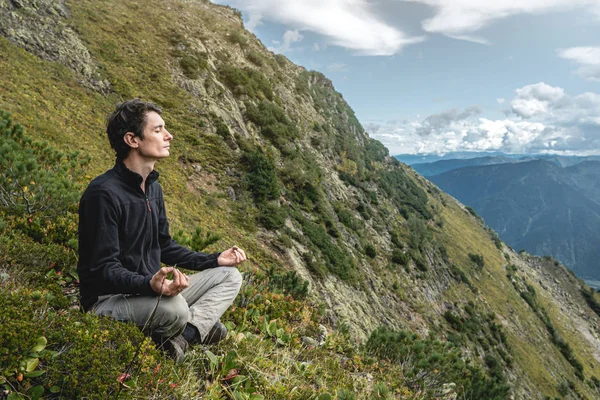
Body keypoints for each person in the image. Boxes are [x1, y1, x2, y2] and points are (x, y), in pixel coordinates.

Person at [77, 99, 245, 362]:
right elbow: (103, 269)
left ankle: (184, 336)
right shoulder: (103, 194)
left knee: (229, 276)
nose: (169, 136)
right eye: (158, 130)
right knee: (176, 308)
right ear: (132, 139)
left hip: (149, 290)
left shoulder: (152, 188)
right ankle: (195, 327)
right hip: (108, 300)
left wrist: (214, 259)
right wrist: (149, 284)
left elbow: (164, 246)